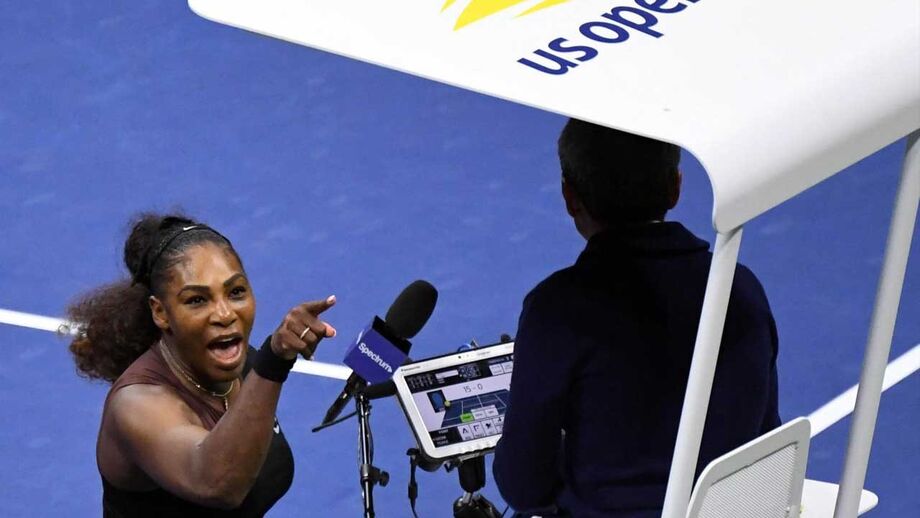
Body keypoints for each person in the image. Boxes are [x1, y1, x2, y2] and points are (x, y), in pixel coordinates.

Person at [493, 120, 780, 517]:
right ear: (676, 187)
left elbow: (523, 485)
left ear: (570, 197)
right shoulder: (741, 287)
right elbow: (765, 438)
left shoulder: (556, 310)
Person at [68, 213, 337, 517]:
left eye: (236, 292)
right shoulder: (135, 406)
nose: (224, 314)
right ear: (160, 312)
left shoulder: (245, 365)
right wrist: (273, 362)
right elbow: (218, 483)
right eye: (197, 300)